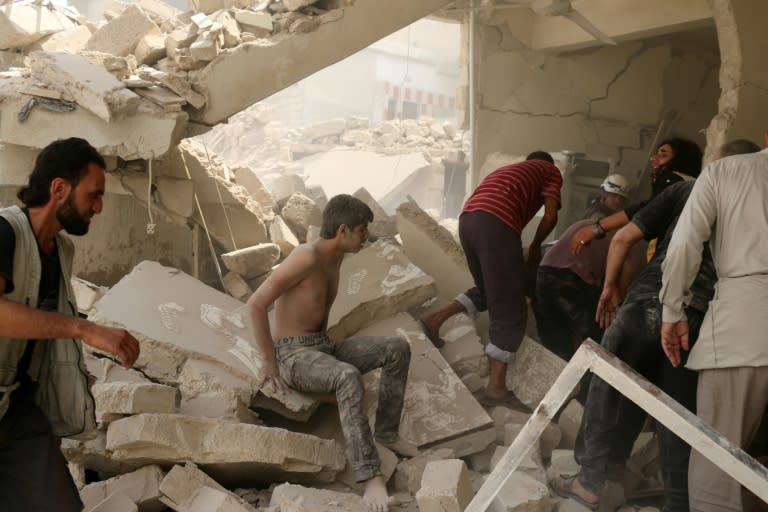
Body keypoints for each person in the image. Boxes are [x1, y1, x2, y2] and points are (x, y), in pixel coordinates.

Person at [551, 140, 759, 511]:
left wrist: (611, 287)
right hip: (698, 322)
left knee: (611, 390)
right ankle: (676, 502)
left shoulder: (690, 187)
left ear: (718, 163)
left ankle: (591, 481)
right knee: (676, 418)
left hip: (653, 301)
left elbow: (624, 239)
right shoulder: (755, 199)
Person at [0, 138, 140, 511]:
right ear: (59, 188)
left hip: (15, 409)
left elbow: (42, 339)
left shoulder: (62, 250)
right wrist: (84, 329)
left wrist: (52, 415)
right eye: (93, 195)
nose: (98, 207)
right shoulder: (4, 232)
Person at [247, 194, 412, 512]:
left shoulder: (336, 259)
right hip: (294, 357)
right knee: (347, 376)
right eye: (362, 230)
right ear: (343, 230)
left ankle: (387, 433)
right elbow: (255, 304)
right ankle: (370, 479)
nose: (366, 236)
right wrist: (269, 362)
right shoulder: (305, 256)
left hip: (324, 348)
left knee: (397, 347)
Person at [660, 134, 768, 512]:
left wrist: (673, 311)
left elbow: (684, 244)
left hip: (744, 328)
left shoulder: (725, 171)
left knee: (718, 471)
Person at [420, 151, 562, 406]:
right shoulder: (549, 170)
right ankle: (496, 386)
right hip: (497, 225)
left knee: (487, 290)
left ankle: (435, 318)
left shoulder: (508, 171)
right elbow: (551, 215)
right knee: (511, 304)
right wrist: (535, 247)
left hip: (469, 221)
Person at [533, 218, 644, 361]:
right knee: (596, 337)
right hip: (570, 279)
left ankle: (554, 376)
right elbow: (619, 294)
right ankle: (586, 379)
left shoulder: (595, 222)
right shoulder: (633, 238)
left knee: (557, 339)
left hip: (543, 274)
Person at [570, 137, 703, 256]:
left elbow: (646, 210)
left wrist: (598, 228)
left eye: (663, 154)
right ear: (604, 193)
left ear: (680, 160)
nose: (653, 158)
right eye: (613, 195)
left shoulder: (672, 179)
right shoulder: (693, 184)